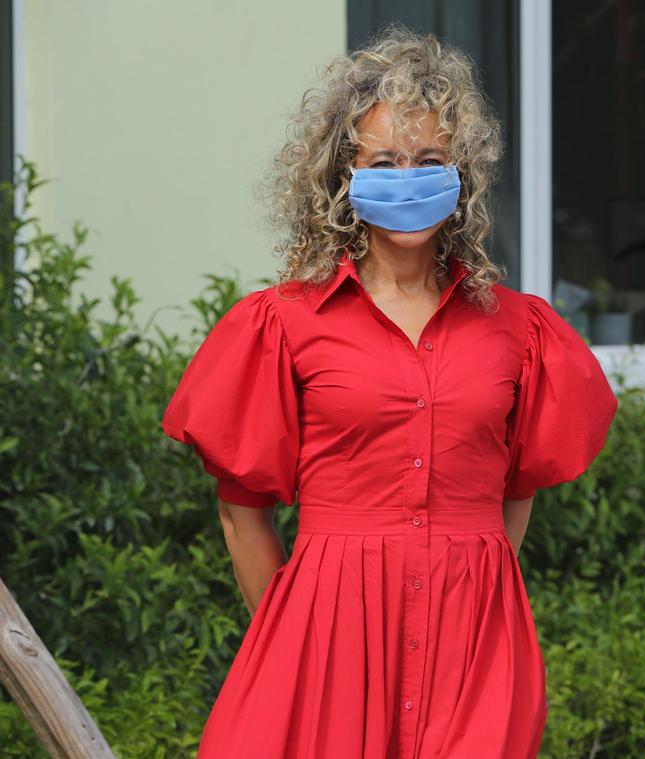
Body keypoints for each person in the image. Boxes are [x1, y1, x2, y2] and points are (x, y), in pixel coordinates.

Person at [161, 27, 617, 759]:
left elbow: (518, 483)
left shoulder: (520, 330)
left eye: (430, 160)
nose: (408, 176)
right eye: (384, 161)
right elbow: (241, 508)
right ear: (345, 175)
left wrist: (474, 577)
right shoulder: (283, 324)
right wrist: (292, 636)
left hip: (476, 647)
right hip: (322, 638)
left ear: (462, 174)